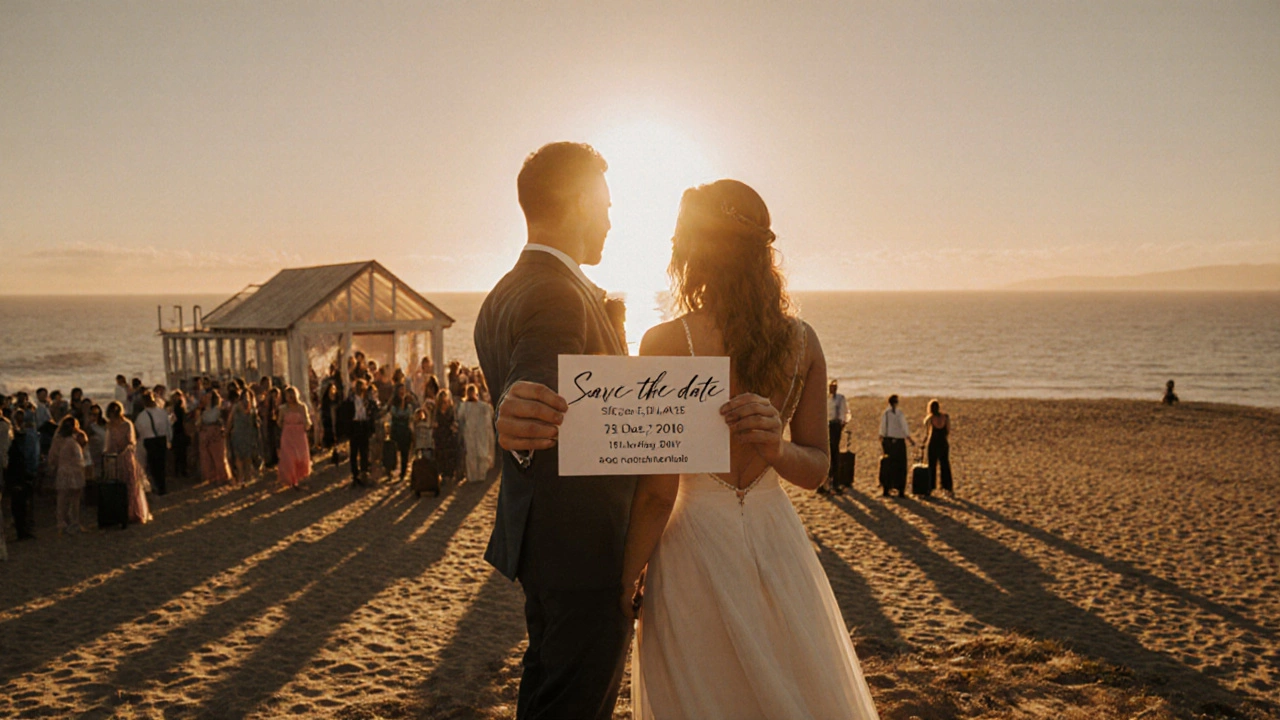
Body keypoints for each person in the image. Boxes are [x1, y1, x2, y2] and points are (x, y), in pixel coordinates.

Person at [615, 180, 880, 718]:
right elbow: (817, 470)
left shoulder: (666, 343)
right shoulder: (802, 341)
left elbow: (658, 493)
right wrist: (775, 449)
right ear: (763, 256)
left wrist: (626, 577)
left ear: (692, 254)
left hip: (692, 548)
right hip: (776, 540)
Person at [473, 141, 634, 719]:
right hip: (585, 543)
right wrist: (515, 411)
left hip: (538, 536)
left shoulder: (503, 292)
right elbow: (533, 380)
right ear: (581, 201)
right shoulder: (556, 294)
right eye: (608, 205)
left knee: (545, 687)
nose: (612, 220)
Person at [105, 401, 152, 524]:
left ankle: (133, 512)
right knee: (118, 485)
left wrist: (122, 451)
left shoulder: (127, 424)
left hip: (126, 457)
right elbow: (109, 443)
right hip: (115, 458)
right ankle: (121, 512)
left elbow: (131, 442)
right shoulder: (110, 426)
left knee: (131, 484)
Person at [49, 417, 88, 535]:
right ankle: (72, 522)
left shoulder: (59, 440)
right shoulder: (72, 441)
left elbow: (53, 457)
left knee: (63, 498)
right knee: (73, 499)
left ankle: (63, 522)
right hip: (73, 471)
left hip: (63, 470)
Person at [6, 410, 39, 540]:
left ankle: (22, 528)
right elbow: (32, 455)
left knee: (20, 503)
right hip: (23, 472)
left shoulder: (19, 438)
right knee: (24, 503)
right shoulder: (30, 436)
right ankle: (24, 529)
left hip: (19, 473)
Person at [339, 379, 379, 487]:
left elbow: (374, 412)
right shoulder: (350, 401)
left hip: (364, 425)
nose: (360, 390)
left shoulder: (368, 401)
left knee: (364, 452)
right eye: (358, 387)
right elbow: (345, 414)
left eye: (362, 387)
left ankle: (364, 473)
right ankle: (355, 475)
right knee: (354, 452)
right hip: (354, 425)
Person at [456, 383, 495, 483]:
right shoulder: (464, 406)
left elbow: (490, 412)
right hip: (470, 432)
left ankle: (481, 475)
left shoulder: (482, 406)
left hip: (480, 432)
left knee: (481, 454)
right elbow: (460, 417)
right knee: (471, 455)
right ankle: (473, 476)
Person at [136, 391, 172, 495]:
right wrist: (169, 440)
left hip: (149, 440)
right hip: (161, 439)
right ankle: (162, 486)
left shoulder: (142, 416)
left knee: (152, 465)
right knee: (161, 464)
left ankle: (155, 486)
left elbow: (140, 430)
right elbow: (168, 427)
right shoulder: (162, 412)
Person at [276, 386, 312, 490]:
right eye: (288, 395)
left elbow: (307, 421)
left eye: (292, 394)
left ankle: (300, 479)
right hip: (287, 435)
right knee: (289, 457)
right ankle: (291, 480)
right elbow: (279, 422)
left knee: (300, 456)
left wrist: (305, 426)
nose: (290, 397)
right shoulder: (283, 408)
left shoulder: (302, 407)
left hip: (299, 435)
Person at [879, 394, 914, 498]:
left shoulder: (898, 413)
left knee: (900, 466)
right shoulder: (887, 413)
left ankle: (900, 489)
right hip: (890, 441)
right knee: (889, 465)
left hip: (898, 441)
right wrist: (882, 438)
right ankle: (887, 488)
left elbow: (904, 427)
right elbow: (883, 427)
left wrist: (908, 437)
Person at [198, 390, 233, 485]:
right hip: (205, 433)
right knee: (207, 458)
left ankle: (223, 477)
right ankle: (211, 477)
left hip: (216, 433)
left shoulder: (219, 409)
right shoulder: (203, 410)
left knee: (219, 456)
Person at [921, 399, 953, 496]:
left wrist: (923, 443)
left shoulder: (929, 419)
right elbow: (948, 430)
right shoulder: (945, 417)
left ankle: (931, 487)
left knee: (932, 465)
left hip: (933, 443)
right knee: (945, 464)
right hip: (943, 442)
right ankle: (947, 487)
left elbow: (928, 433)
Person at [228, 390, 260, 485]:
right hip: (238, 434)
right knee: (238, 456)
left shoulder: (253, 408)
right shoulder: (236, 407)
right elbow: (230, 420)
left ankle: (248, 476)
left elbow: (256, 421)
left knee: (248, 457)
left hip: (249, 435)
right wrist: (227, 431)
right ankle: (241, 477)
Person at [825, 379, 850, 494]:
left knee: (834, 451)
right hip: (827, 425)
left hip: (835, 425)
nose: (832, 389)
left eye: (834, 387)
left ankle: (835, 481)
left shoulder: (840, 398)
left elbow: (844, 412)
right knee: (827, 451)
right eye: (831, 387)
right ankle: (826, 481)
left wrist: (842, 423)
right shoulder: (826, 398)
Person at [387, 383, 416, 481]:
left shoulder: (409, 405)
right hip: (396, 430)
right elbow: (395, 415)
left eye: (403, 390)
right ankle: (391, 470)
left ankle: (403, 473)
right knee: (394, 452)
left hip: (405, 431)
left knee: (405, 453)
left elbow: (411, 416)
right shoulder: (394, 404)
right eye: (400, 390)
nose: (402, 392)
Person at [431, 389, 459, 482]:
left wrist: (453, 426)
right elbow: (434, 421)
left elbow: (454, 420)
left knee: (449, 454)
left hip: (448, 434)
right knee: (440, 455)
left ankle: (449, 473)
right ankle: (442, 473)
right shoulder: (437, 410)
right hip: (439, 434)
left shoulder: (451, 409)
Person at [169, 391, 190, 479]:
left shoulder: (174, 409)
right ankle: (182, 470)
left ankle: (177, 471)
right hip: (181, 431)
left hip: (176, 431)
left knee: (177, 453)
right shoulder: (181, 409)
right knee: (182, 453)